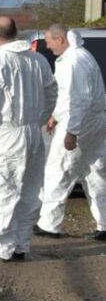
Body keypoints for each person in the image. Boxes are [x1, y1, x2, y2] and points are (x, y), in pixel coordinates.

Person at [0, 16, 56, 261]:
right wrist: (41, 118)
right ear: (17, 33)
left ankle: (2, 246)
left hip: (6, 134)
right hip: (33, 133)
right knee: (29, 190)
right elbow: (52, 93)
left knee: (2, 189)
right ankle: (20, 245)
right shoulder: (38, 60)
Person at [34, 25, 106, 240]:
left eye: (49, 41)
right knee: (93, 171)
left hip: (81, 121)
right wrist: (55, 116)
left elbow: (79, 99)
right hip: (91, 120)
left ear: (61, 39)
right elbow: (67, 96)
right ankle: (104, 223)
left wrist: (72, 131)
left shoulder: (74, 61)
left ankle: (49, 225)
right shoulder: (79, 57)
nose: (48, 46)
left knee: (59, 169)